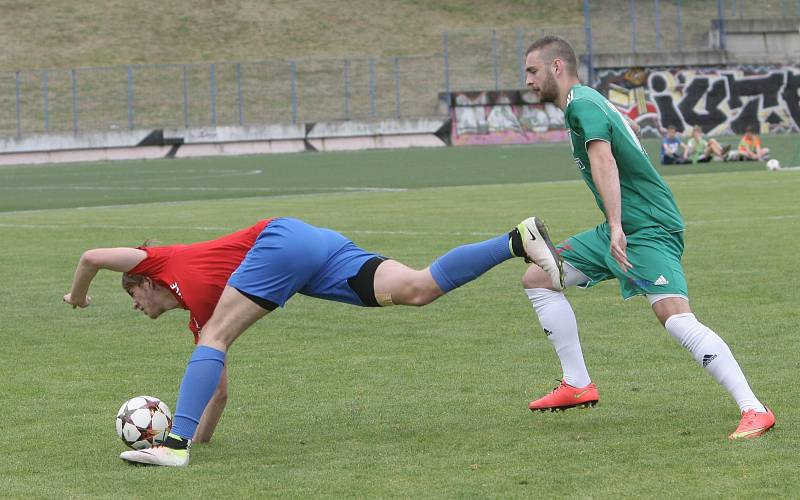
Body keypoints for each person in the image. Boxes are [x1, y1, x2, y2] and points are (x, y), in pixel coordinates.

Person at [64, 215, 563, 466]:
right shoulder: (202, 317)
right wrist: (202, 437)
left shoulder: (160, 262)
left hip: (279, 242)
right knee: (416, 289)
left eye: (133, 297)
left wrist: (77, 297)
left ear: (144, 282)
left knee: (213, 339)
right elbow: (217, 390)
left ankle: (172, 449)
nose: (136, 306)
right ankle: (516, 241)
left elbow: (90, 256)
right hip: (310, 247)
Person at [521, 36, 774, 440]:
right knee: (539, 276)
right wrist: (628, 129)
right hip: (624, 226)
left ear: (556, 67)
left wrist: (617, 225)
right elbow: (624, 124)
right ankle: (577, 384)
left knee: (675, 318)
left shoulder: (583, 105)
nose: (528, 80)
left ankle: (755, 409)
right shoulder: (587, 101)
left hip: (648, 227)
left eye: (532, 71)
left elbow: (603, 159)